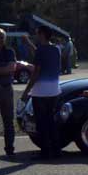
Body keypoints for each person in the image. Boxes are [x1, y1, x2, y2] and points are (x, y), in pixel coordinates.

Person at [23, 26, 62, 159]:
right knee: (50, 120)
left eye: (37, 33)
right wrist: (29, 44)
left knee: (41, 122)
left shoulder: (41, 51)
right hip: (54, 91)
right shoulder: (56, 49)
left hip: (40, 92)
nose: (36, 36)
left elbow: (36, 73)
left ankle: (45, 151)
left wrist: (26, 92)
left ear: (42, 34)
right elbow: (42, 55)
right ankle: (56, 149)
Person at [0, 28, 17, 156]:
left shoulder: (9, 52)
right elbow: (7, 69)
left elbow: (12, 68)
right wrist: (4, 69)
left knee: (8, 122)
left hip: (7, 90)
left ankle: (10, 149)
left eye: (1, 37)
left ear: (4, 39)